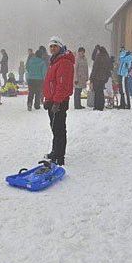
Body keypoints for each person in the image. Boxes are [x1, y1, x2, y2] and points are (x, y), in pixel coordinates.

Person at [43, 37, 74, 166]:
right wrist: (47, 99)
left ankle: (59, 156)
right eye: (51, 46)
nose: (52, 48)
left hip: (59, 102)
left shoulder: (64, 62)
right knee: (54, 128)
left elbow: (62, 85)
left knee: (59, 129)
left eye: (55, 46)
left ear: (60, 47)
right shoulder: (55, 61)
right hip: (53, 100)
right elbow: (50, 83)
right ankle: (55, 151)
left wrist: (56, 102)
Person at [89, 46, 112, 111]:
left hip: (97, 77)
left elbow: (94, 68)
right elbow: (109, 69)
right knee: (101, 92)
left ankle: (97, 106)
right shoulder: (107, 57)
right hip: (103, 78)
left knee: (97, 92)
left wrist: (91, 78)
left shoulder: (98, 57)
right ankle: (101, 105)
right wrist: (106, 78)